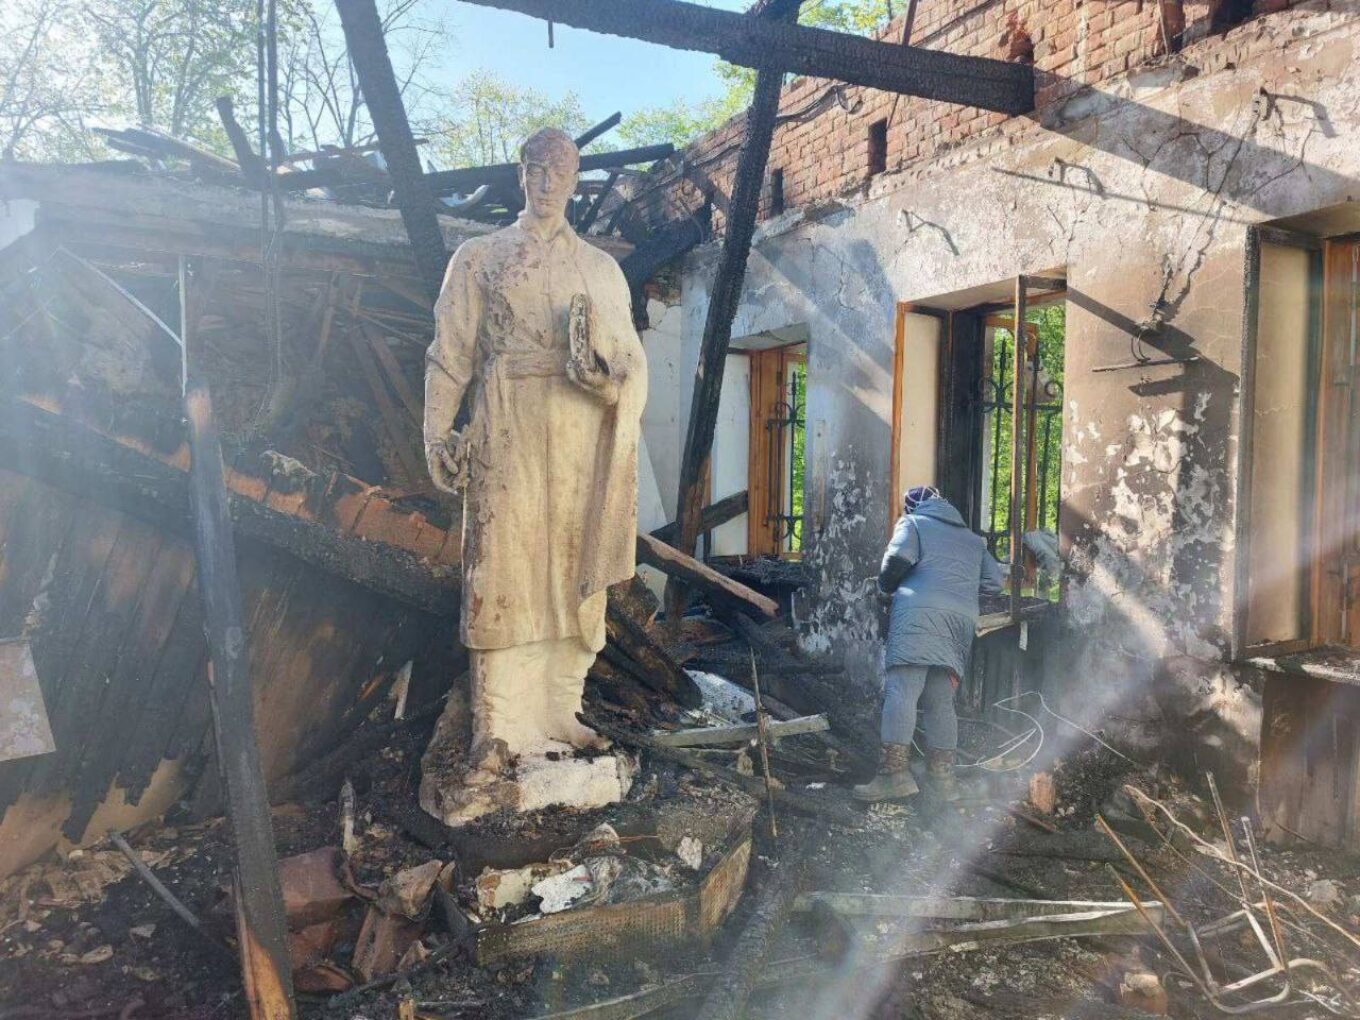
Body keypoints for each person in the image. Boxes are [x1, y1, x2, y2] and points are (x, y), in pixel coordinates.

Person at [853, 485, 1006, 802]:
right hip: (959, 624)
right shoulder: (972, 539)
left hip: (918, 618)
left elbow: (897, 558)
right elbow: (995, 582)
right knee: (940, 701)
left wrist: (885, 586)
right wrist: (957, 592)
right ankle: (943, 782)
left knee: (902, 691)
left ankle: (893, 776)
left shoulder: (913, 523)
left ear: (912, 506)